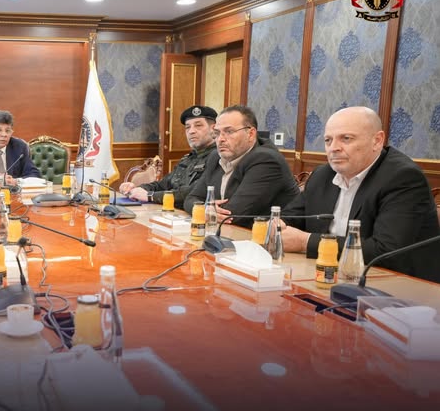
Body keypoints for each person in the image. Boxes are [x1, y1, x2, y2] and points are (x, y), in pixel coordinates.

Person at [281, 106, 440, 283]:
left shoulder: (403, 178)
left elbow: (386, 251)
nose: (333, 148)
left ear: (377, 141)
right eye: (328, 140)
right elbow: (289, 218)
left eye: (346, 138)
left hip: (399, 286)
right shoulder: (322, 175)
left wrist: (306, 242)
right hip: (328, 276)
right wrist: (278, 225)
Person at [184, 105, 299, 228]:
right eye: (217, 133)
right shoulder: (215, 157)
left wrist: (206, 210)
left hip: (264, 236)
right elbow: (191, 198)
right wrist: (204, 209)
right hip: (227, 232)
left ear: (250, 134)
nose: (220, 139)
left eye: (229, 132)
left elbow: (233, 215)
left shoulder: (267, 161)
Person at [121, 105, 217, 208]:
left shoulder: (218, 158)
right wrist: (137, 189)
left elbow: (192, 192)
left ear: (214, 129)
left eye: (198, 125)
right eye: (188, 127)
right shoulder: (187, 159)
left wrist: (150, 196)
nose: (191, 131)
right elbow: (162, 184)